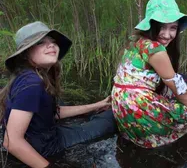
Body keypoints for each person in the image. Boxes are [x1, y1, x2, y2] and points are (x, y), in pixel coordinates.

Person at [0, 21, 117, 168]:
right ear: (25, 53)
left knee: (100, 113)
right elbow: (11, 142)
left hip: (44, 137)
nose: (51, 45)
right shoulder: (32, 84)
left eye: (53, 42)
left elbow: (52, 113)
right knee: (111, 118)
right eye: (41, 42)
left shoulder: (30, 76)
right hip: (47, 148)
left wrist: (97, 105)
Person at [111, 0, 187, 148]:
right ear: (151, 25)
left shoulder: (135, 42)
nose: (167, 35)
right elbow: (182, 92)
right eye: (161, 27)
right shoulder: (155, 49)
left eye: (173, 28)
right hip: (138, 109)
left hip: (120, 105)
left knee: (181, 81)